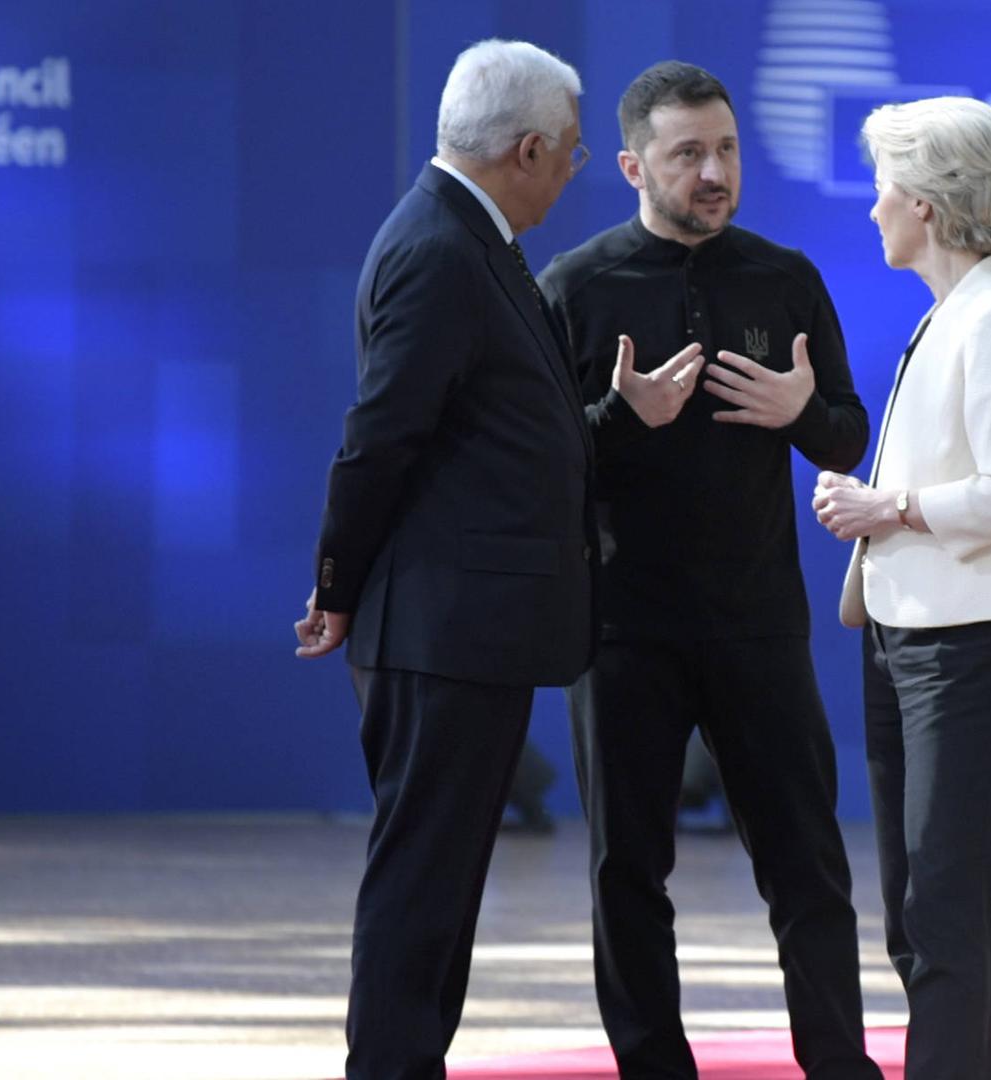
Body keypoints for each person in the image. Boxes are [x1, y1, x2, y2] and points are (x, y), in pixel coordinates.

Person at [293, 40, 682, 1080]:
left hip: (467, 631)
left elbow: (503, 438)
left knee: (442, 887)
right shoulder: (441, 248)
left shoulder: (472, 238)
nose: (575, 170)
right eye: (573, 151)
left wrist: (616, 416)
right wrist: (336, 586)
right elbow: (380, 440)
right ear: (527, 150)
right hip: (439, 632)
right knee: (422, 883)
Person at [538, 61, 881, 1080]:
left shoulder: (785, 278)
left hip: (758, 620)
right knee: (626, 872)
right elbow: (534, 461)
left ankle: (840, 1067)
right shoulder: (575, 288)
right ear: (635, 166)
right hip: (622, 628)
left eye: (726, 149)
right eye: (688, 153)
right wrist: (619, 417)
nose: (714, 172)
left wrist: (802, 416)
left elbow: (848, 432)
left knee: (808, 865)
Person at [811, 96, 991, 1079]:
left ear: (925, 203)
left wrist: (887, 506)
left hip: (973, 645)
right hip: (910, 637)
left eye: (883, 186)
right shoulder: (953, 316)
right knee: (922, 910)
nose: (873, 206)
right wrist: (885, 507)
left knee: (941, 908)